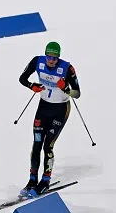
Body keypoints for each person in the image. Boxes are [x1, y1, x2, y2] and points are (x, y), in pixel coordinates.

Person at [17, 41, 81, 197]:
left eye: (54, 58)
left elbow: (77, 93)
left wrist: (66, 88)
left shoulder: (67, 68)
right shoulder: (37, 61)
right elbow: (22, 78)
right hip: (43, 107)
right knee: (36, 144)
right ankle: (32, 180)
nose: (51, 60)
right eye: (49, 57)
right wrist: (32, 85)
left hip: (60, 110)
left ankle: (45, 180)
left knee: (48, 145)